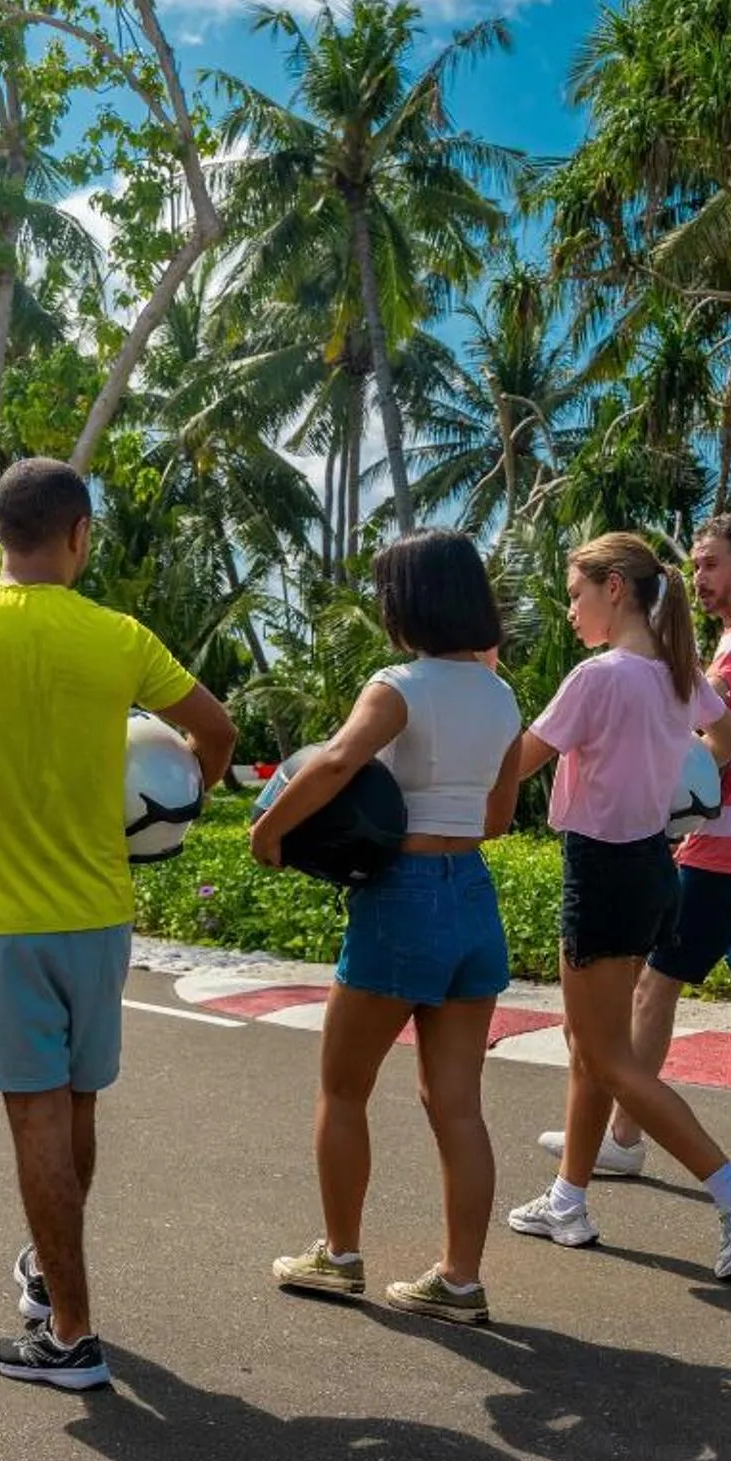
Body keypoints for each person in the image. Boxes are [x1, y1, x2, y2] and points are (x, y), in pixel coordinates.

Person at [0, 458, 238, 1390]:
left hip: (0, 920)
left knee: (34, 1111)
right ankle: (48, 1271)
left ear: (0, 534)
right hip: (99, 917)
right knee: (75, 1102)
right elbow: (217, 728)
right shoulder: (117, 638)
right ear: (79, 535)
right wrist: (180, 793)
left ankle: (71, 1336)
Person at [497, 531, 731, 1280]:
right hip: (653, 866)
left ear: (615, 589)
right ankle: (568, 1198)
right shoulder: (676, 672)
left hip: (599, 868)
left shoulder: (598, 678)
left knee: (607, 1055)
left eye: (575, 595)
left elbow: (518, 763)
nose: (571, 611)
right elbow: (723, 734)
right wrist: (672, 776)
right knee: (588, 1044)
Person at [252, 530, 522, 1325]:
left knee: (343, 1087)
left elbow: (334, 762)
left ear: (406, 603)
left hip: (402, 896)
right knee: (457, 1105)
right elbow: (499, 818)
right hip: (473, 894)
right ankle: (460, 1282)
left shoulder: (397, 685)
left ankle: (338, 1258)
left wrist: (268, 831)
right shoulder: (500, 697)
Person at [540, 512, 731, 1196]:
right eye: (694, 567)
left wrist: (663, 776)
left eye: (712, 565)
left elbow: (697, 714)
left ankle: (626, 1137)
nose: (699, 579)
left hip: (724, 846)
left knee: (654, 985)